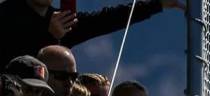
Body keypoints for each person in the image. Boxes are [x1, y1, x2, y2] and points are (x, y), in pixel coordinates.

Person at [0, 0, 185, 66]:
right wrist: (49, 36)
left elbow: (105, 20)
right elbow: (11, 62)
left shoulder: (59, 20)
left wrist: (157, 4)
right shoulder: (6, 14)